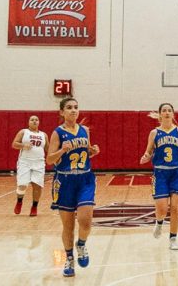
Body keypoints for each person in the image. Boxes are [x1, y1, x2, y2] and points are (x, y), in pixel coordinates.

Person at [45, 97, 100, 278]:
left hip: (85, 178)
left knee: (86, 219)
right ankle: (69, 259)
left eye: (76, 107)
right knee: (68, 226)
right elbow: (50, 159)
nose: (73, 110)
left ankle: (81, 244)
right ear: (62, 112)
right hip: (65, 181)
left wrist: (92, 151)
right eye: (69, 108)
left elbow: (85, 153)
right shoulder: (57, 133)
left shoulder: (84, 130)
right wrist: (62, 150)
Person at [139, 103, 178, 250]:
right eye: (164, 110)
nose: (167, 112)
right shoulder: (154, 133)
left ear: (173, 114)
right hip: (160, 173)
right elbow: (148, 152)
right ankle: (159, 222)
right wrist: (145, 157)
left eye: (169, 110)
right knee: (162, 208)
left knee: (175, 207)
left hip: (177, 173)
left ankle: (173, 238)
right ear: (160, 114)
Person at [12, 115, 47, 216]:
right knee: (22, 185)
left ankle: (34, 207)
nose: (34, 121)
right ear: (28, 122)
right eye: (32, 120)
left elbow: (48, 148)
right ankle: (19, 201)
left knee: (37, 186)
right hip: (25, 162)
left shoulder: (43, 135)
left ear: (39, 122)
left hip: (39, 163)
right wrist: (23, 145)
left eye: (36, 120)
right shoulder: (23, 132)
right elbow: (14, 144)